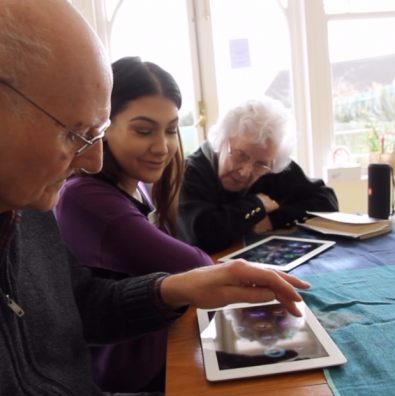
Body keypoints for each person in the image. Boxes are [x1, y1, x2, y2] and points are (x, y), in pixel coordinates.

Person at [0, 1, 310, 395]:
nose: (94, 160)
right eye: (73, 133)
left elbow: (80, 303)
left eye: (94, 134)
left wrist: (174, 290)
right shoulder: (72, 195)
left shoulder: (30, 208)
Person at [55, 56, 213, 393]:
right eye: (143, 130)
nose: (162, 147)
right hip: (128, 379)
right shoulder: (85, 197)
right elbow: (195, 267)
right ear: (104, 126)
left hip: (161, 348)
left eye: (171, 129)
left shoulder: (137, 183)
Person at [177, 98, 339, 253]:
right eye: (240, 155)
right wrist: (257, 204)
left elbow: (327, 201)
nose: (245, 172)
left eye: (260, 164)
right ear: (222, 140)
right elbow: (204, 235)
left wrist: (274, 219)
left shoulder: (270, 164)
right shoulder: (189, 172)